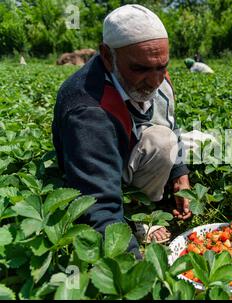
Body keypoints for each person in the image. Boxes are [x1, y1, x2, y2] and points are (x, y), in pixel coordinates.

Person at [52, 4, 192, 259]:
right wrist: (138, 274)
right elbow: (98, 206)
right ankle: (138, 218)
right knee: (161, 143)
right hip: (95, 168)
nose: (155, 80)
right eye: (140, 69)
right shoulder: (87, 109)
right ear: (107, 55)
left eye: (162, 66)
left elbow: (171, 123)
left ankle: (143, 203)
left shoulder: (157, 76)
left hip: (128, 147)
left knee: (173, 140)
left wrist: (179, 172)